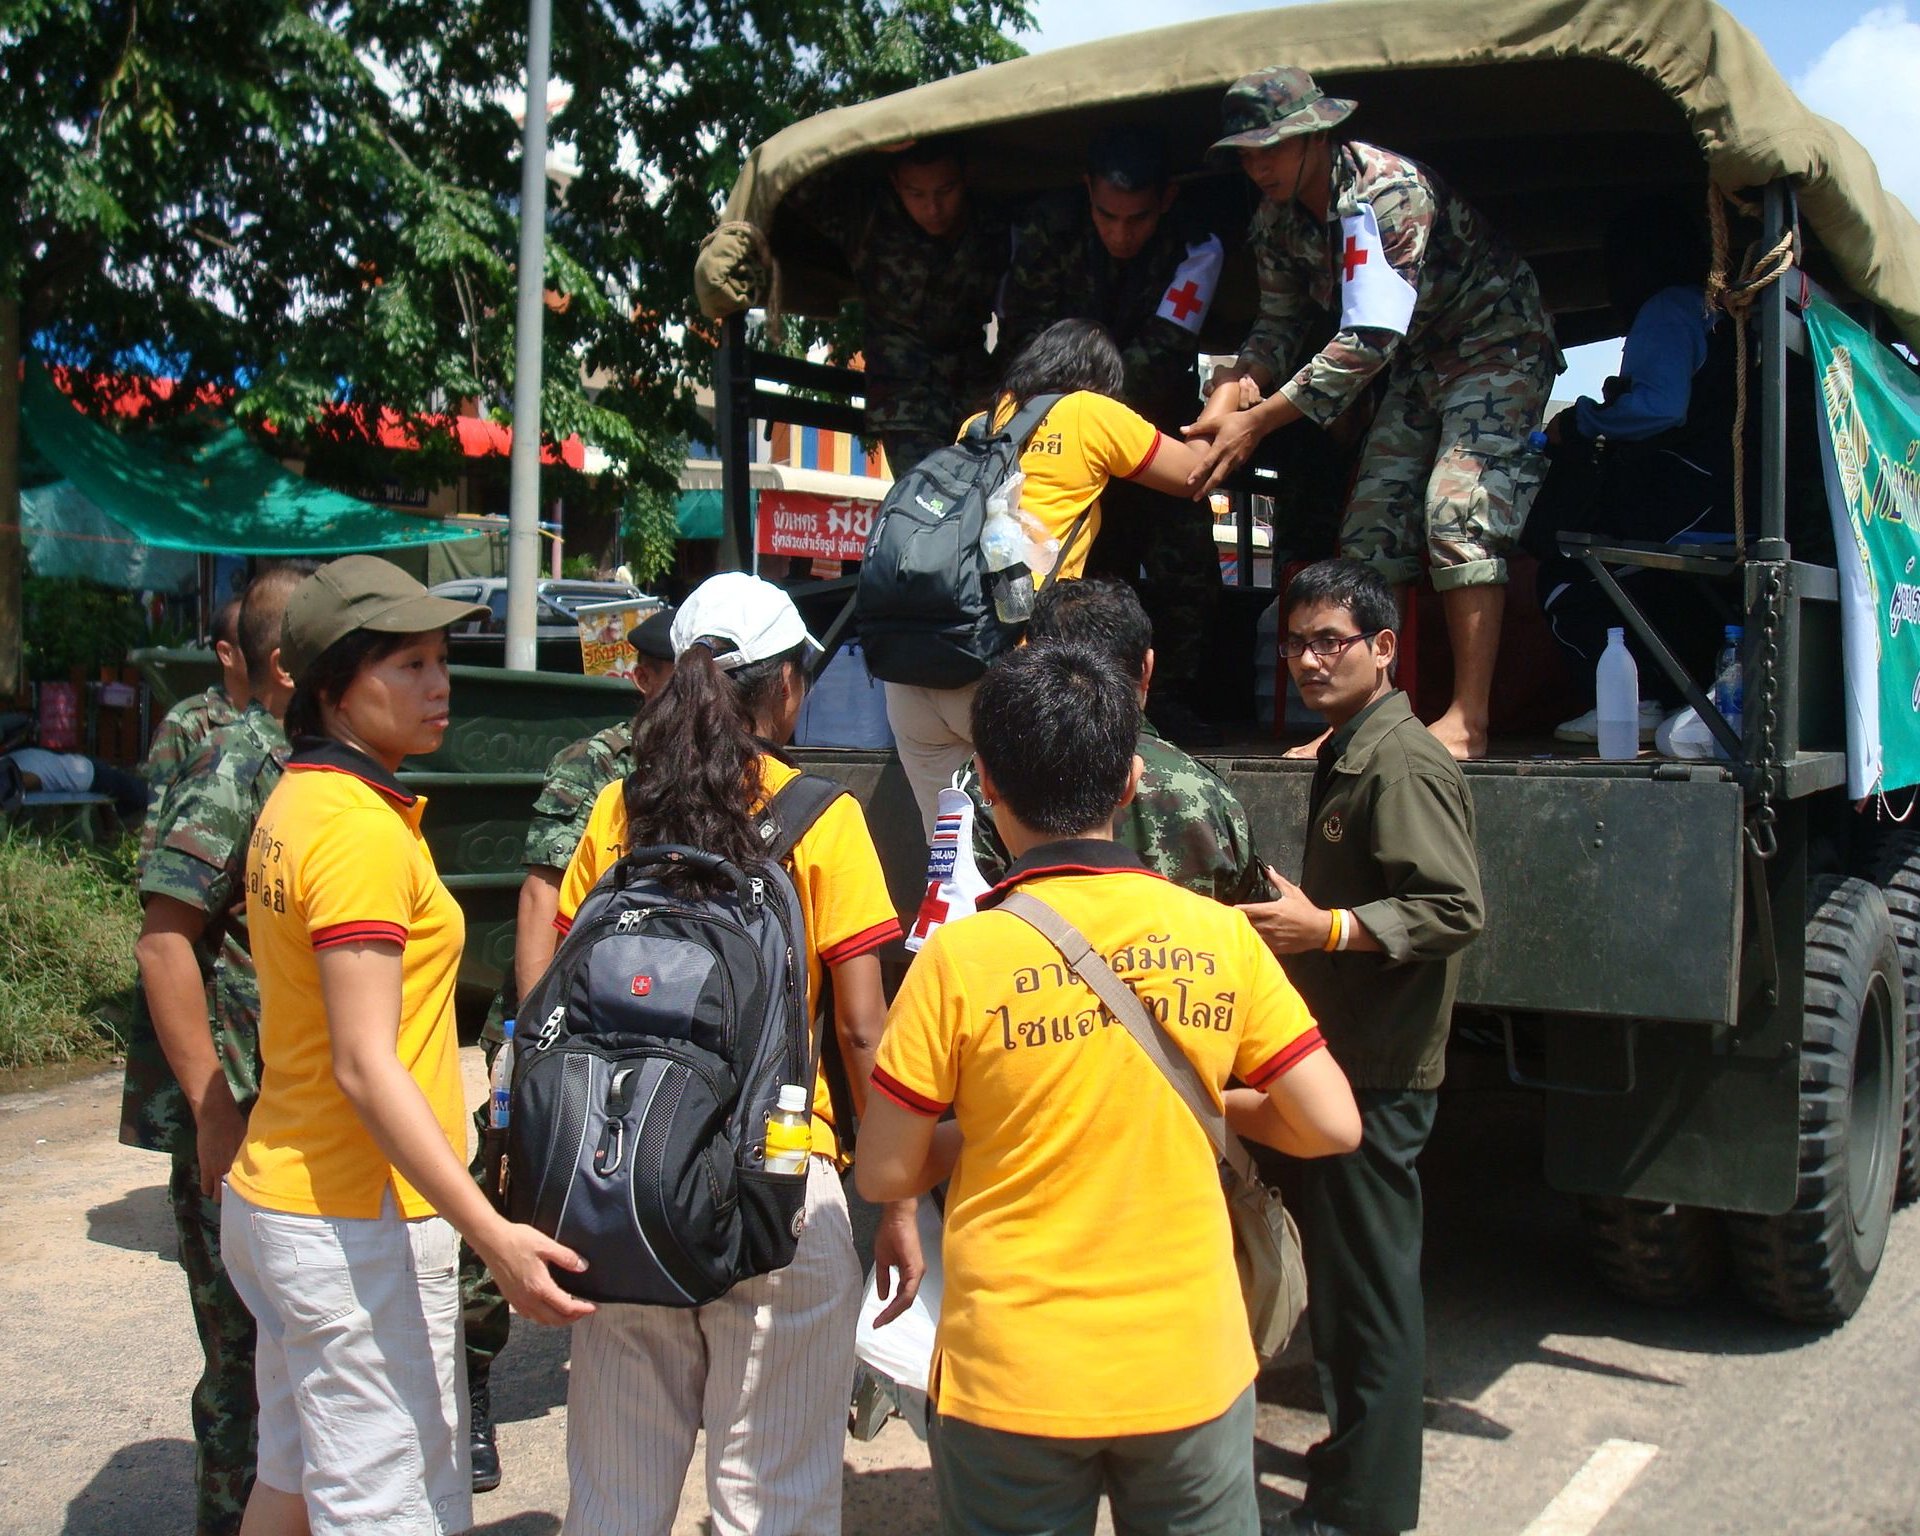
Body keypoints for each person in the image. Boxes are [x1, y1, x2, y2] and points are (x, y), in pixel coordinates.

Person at [857, 641, 1360, 1536]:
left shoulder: (957, 960)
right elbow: (1331, 1125)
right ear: (1130, 781)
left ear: (986, 782)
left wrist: (996, 1125)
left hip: (1010, 1377)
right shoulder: (1219, 935)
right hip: (1190, 1366)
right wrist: (1214, 1107)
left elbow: (886, 1172)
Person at [221, 556, 592, 1536]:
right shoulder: (357, 832)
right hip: (354, 1220)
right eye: (409, 665)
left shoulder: (301, 799)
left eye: (441, 660)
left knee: (293, 1481)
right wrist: (492, 1235)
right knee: (392, 1510)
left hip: (287, 1196)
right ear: (335, 687)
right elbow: (364, 1063)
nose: (440, 685)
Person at [552, 571, 918, 1536]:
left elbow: (564, 993)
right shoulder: (822, 818)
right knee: (773, 1504)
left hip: (624, 1181)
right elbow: (862, 1030)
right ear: (786, 686)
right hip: (778, 1185)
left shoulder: (616, 812)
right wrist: (895, 1201)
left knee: (615, 1500)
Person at [1185, 67, 1560, 760]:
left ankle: (1467, 721)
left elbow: (1370, 336)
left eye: (1271, 147)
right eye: (1246, 152)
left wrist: (1257, 421)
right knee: (1370, 529)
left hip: (1496, 344)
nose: (1258, 165)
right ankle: (1364, 723)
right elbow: (1277, 326)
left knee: (1456, 511)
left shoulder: (1388, 192)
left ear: (1317, 135)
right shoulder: (1274, 221)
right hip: (1418, 363)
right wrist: (1231, 395)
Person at [1236, 559, 1485, 1536]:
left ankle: (1365, 1511)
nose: (1308, 660)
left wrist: (1327, 929)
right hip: (1349, 1056)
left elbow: (1454, 907)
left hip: (1378, 1067)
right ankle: (1353, 1479)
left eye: (1330, 641)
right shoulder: (1354, 747)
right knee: (1346, 1288)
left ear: (1384, 648)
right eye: (1295, 643)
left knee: (1371, 1294)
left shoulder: (1401, 762)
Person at [461, 603, 674, 1492]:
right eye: (675, 675)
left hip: (657, 1027)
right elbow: (541, 895)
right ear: (644, 679)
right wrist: (534, 1030)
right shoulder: (596, 764)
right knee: (511, 1184)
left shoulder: (734, 764)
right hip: (567, 1016)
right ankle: (469, 1380)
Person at [116, 562, 307, 1536]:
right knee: (245, 1372)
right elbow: (165, 942)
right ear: (290, 664)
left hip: (287, 1114)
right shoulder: (240, 763)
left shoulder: (307, 768)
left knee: (286, 1374)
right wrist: (210, 1111)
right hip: (236, 1112)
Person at [883, 317, 1215, 829]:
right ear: (1104, 380)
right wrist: (1225, 402)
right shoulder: (1089, 411)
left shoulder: (979, 425)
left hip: (919, 668)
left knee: (952, 853)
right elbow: (1195, 472)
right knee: (1046, 844)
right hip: (1008, 664)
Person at [999, 126, 1231, 746]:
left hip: (1154, 425)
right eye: (1107, 216)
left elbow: (1167, 347)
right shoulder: (1045, 231)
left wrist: (1105, 421)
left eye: (1138, 218)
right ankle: (1076, 698)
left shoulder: (1195, 244)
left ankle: (1172, 703)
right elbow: (1025, 340)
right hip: (1063, 430)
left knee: (1186, 570)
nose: (1122, 234)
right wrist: (1078, 421)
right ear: (1086, 192)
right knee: (1080, 576)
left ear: (1166, 200)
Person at [1526, 199, 1736, 743]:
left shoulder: (1668, 309)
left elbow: (1659, 408)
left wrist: (1580, 422)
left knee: (1564, 568)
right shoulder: (1721, 313)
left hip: (1688, 500)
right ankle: (1666, 697)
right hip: (1724, 499)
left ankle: (1634, 703)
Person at [963, 578, 1272, 904]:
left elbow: (959, 910)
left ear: (1033, 664)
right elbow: (1260, 917)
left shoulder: (994, 782)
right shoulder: (1210, 793)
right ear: (1147, 666)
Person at [781, 136, 1010, 476]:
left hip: (974, 395)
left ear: (966, 177)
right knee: (926, 499)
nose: (933, 208)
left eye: (945, 191)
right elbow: (796, 186)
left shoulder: (990, 223)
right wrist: (868, 142)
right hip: (905, 402)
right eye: (916, 194)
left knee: (989, 495)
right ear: (895, 183)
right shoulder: (867, 219)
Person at [140, 593, 247, 870]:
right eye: (255, 641)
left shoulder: (291, 720)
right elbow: (157, 827)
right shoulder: (187, 724)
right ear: (226, 653)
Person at [2, 743, 149, 817]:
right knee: (124, 793)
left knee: (144, 795)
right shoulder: (9, 762)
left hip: (87, 775)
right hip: (80, 767)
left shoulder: (16, 773)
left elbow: (25, 782)